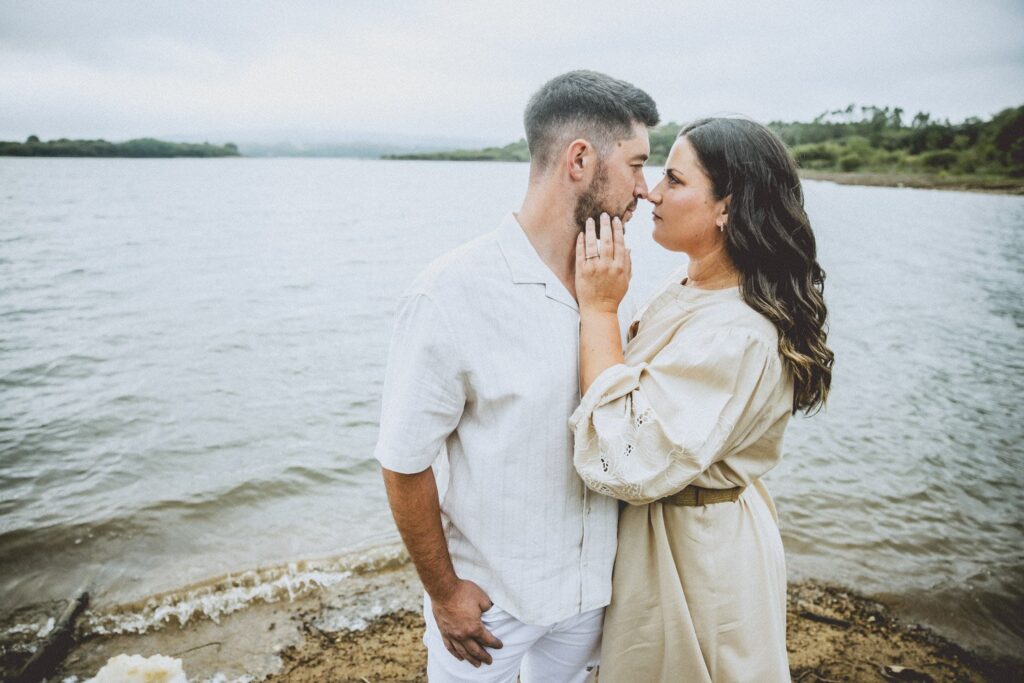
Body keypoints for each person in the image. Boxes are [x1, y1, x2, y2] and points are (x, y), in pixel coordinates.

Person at [373, 70, 659, 682]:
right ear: (580, 160)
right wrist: (445, 592)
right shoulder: (450, 293)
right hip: (490, 604)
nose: (647, 188)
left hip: (590, 598)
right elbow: (403, 461)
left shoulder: (614, 285)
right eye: (637, 165)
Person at [571, 117, 834, 682]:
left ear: (727, 209)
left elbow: (627, 455)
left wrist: (598, 309)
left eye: (675, 180)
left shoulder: (737, 335)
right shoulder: (691, 283)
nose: (651, 191)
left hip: (694, 554)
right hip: (670, 533)